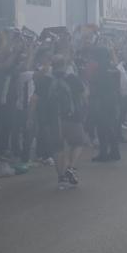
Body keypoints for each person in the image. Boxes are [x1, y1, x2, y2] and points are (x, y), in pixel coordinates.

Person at [46, 56, 86, 189]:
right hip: (72, 117)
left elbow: (36, 98)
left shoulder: (46, 79)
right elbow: (83, 93)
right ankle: (71, 167)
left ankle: (61, 179)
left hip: (53, 119)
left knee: (58, 148)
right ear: (64, 64)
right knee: (78, 143)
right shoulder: (71, 78)